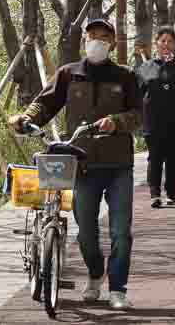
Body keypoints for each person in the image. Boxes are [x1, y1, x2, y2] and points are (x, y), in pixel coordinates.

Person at [9, 17, 141, 311]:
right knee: (86, 232)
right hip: (81, 163)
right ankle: (95, 275)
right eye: (92, 36)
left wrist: (117, 122)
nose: (97, 42)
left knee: (121, 230)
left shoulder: (126, 75)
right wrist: (26, 118)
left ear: (113, 43)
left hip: (118, 164)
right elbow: (45, 103)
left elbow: (138, 115)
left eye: (103, 38)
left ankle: (118, 288)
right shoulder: (69, 74)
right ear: (84, 41)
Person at [136, 26, 175, 208]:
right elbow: (139, 93)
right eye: (162, 41)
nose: (166, 44)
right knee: (154, 156)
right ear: (157, 43)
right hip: (152, 119)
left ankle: (171, 193)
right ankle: (154, 194)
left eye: (170, 41)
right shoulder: (146, 67)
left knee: (173, 156)